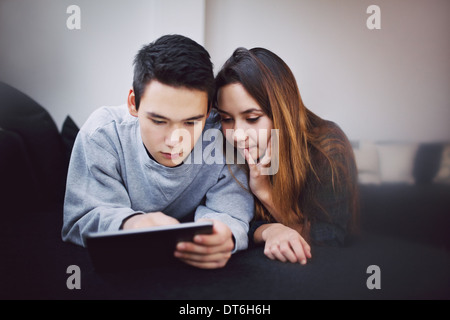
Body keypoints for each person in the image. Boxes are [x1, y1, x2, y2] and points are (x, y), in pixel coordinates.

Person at [62, 35, 254, 269]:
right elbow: (80, 218)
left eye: (191, 122)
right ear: (133, 103)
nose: (174, 141)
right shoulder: (102, 133)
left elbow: (231, 214)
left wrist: (225, 235)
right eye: (159, 121)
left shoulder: (223, 135)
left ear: (209, 112)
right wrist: (131, 224)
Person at [214, 47, 359, 265]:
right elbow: (232, 218)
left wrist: (265, 193)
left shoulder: (327, 147)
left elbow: (328, 240)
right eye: (227, 119)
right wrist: (271, 230)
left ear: (282, 112)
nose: (238, 136)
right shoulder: (223, 145)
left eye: (252, 118)